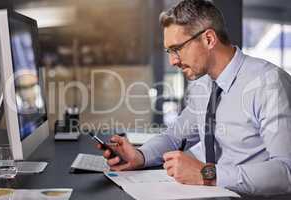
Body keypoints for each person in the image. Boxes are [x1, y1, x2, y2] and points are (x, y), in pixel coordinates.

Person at [97, 0, 291, 196]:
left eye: (177, 49)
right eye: (169, 52)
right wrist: (140, 156)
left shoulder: (269, 84)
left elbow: (286, 172)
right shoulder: (203, 84)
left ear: (208, 39)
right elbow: (175, 136)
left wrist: (207, 174)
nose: (173, 61)